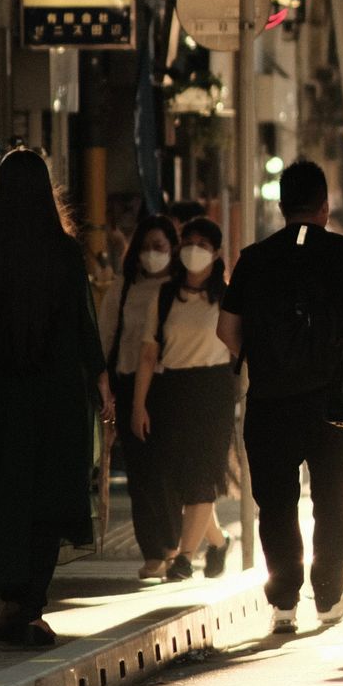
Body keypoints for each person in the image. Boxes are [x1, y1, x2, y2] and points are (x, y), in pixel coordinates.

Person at [0, 150, 104, 646]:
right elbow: (83, 328)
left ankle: (15, 602)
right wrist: (101, 380)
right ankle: (29, 606)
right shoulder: (65, 253)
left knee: (4, 497)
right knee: (50, 501)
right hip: (58, 403)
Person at [220, 161, 343, 633]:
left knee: (277, 502)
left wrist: (265, 359)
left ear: (282, 207)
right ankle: (328, 595)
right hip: (334, 404)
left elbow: (227, 330)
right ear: (325, 206)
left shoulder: (253, 259)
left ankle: (283, 601)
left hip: (270, 402)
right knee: (332, 498)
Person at [130, 217, 236, 582]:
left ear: (217, 253)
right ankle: (219, 543)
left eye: (203, 244)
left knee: (202, 477)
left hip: (213, 391)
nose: (194, 250)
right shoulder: (164, 296)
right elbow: (148, 355)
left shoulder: (227, 296)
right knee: (177, 479)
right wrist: (138, 405)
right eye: (188, 242)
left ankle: (185, 558)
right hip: (172, 390)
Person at [99, 215, 181, 579]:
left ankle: (176, 544)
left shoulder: (183, 289)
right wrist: (104, 384)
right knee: (141, 473)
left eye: (160, 248)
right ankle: (153, 550)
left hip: (172, 387)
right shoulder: (124, 287)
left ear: (173, 250)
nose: (152, 255)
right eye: (146, 248)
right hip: (132, 383)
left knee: (172, 470)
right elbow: (106, 335)